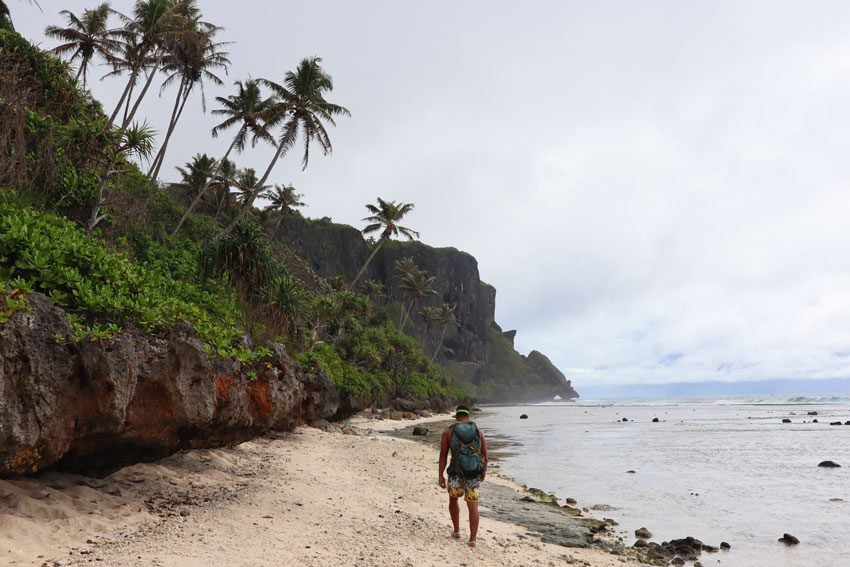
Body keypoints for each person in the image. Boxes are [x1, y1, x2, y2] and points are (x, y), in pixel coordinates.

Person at [438, 405, 488, 547]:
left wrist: (441, 475)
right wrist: (483, 472)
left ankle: (457, 531)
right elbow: (485, 455)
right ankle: (472, 539)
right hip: (473, 473)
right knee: (473, 506)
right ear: (468, 417)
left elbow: (443, 454)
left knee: (453, 500)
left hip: (455, 473)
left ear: (456, 416)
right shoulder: (479, 432)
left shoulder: (448, 432)